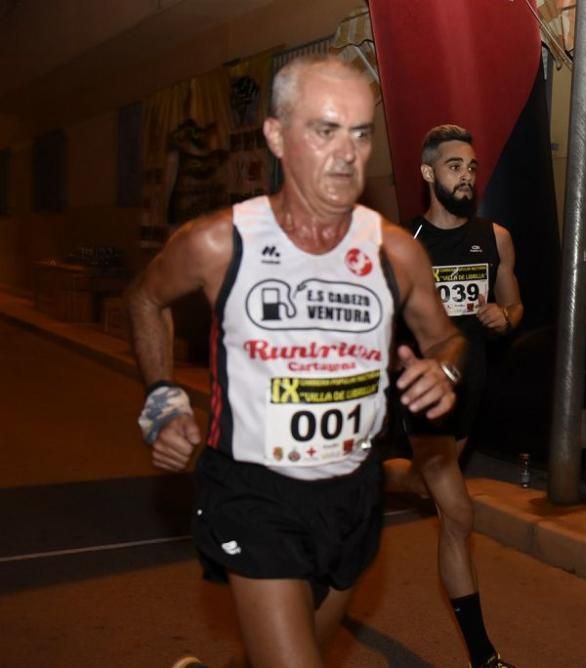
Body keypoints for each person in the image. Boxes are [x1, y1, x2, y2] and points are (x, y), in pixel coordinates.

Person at [127, 55, 465, 668]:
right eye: (324, 130)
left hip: (352, 492)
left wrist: (445, 372)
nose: (347, 153)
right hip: (254, 492)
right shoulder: (218, 243)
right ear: (278, 137)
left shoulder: (393, 251)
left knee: (294, 650)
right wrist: (162, 400)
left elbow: (446, 340)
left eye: (361, 133)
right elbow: (146, 299)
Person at [385, 124, 523, 668]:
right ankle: (484, 658)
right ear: (427, 173)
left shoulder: (497, 239)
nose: (465, 177)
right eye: (453, 167)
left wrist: (503, 316)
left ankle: (370, 479)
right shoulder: (402, 244)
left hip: (471, 396)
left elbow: (516, 308)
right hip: (423, 396)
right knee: (459, 514)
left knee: (427, 488)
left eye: (470, 167)